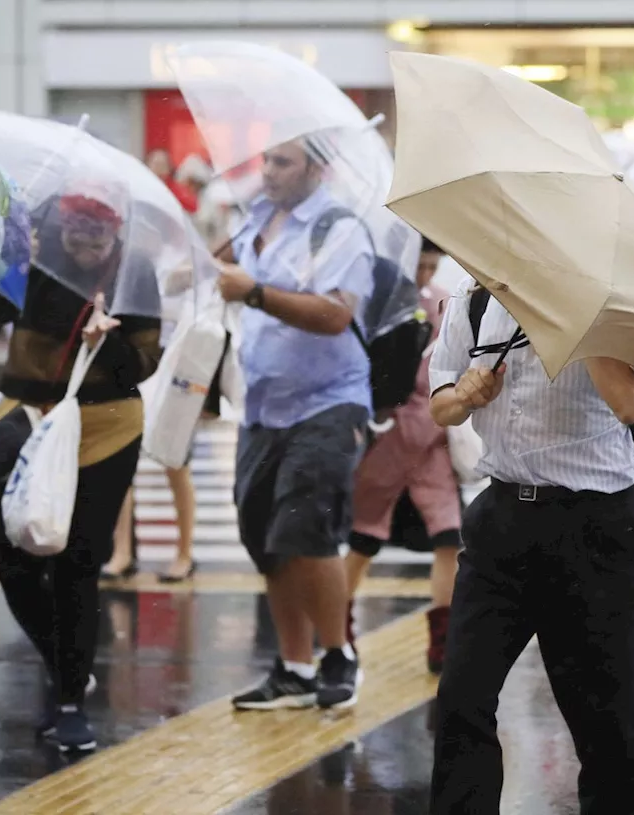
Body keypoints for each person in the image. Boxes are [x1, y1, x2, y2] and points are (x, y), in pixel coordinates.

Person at [426, 280, 634, 814]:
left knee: (605, 719)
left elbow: (630, 404)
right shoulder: (475, 295)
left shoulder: (611, 295)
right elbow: (441, 404)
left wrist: (581, 322)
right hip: (501, 519)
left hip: (593, 527)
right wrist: (464, 394)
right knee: (462, 697)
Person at [0, 186, 162, 752]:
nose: (84, 247)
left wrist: (103, 342)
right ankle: (67, 660)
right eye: (75, 235)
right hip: (31, 418)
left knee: (76, 562)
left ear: (116, 234)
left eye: (97, 238)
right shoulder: (34, 254)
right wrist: (5, 259)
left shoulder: (135, 272)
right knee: (8, 555)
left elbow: (144, 362)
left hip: (105, 428)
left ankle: (69, 702)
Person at [218, 138, 373, 711]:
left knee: (306, 523)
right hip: (262, 405)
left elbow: (336, 314)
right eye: (264, 160)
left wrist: (254, 292)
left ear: (318, 167)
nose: (268, 172)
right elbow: (208, 269)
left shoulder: (339, 228)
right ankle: (293, 667)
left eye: (282, 162)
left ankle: (338, 653)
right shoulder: (258, 219)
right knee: (265, 535)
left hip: (326, 401)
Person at [345, 238, 462, 673]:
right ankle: (338, 631)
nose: (426, 273)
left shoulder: (443, 303)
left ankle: (444, 640)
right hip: (390, 434)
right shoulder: (379, 302)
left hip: (428, 437)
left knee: (449, 535)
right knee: (364, 535)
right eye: (421, 264)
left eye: (433, 265)